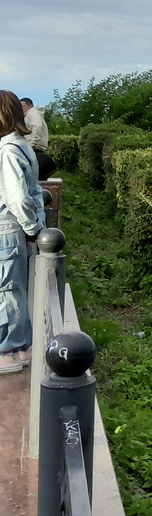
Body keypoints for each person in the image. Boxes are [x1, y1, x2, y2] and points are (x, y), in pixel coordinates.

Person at [0, 90, 45, 374]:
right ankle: (20, 347)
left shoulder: (6, 150)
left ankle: (10, 352)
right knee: (14, 289)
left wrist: (31, 228)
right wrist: (35, 226)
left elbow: (17, 198)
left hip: (7, 229)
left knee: (6, 292)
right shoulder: (21, 145)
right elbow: (35, 191)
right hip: (16, 230)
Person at [19, 97, 55, 180]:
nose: (21, 108)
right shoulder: (30, 114)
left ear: (30, 106)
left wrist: (33, 143)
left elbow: (37, 126)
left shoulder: (33, 113)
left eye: (22, 106)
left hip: (34, 147)